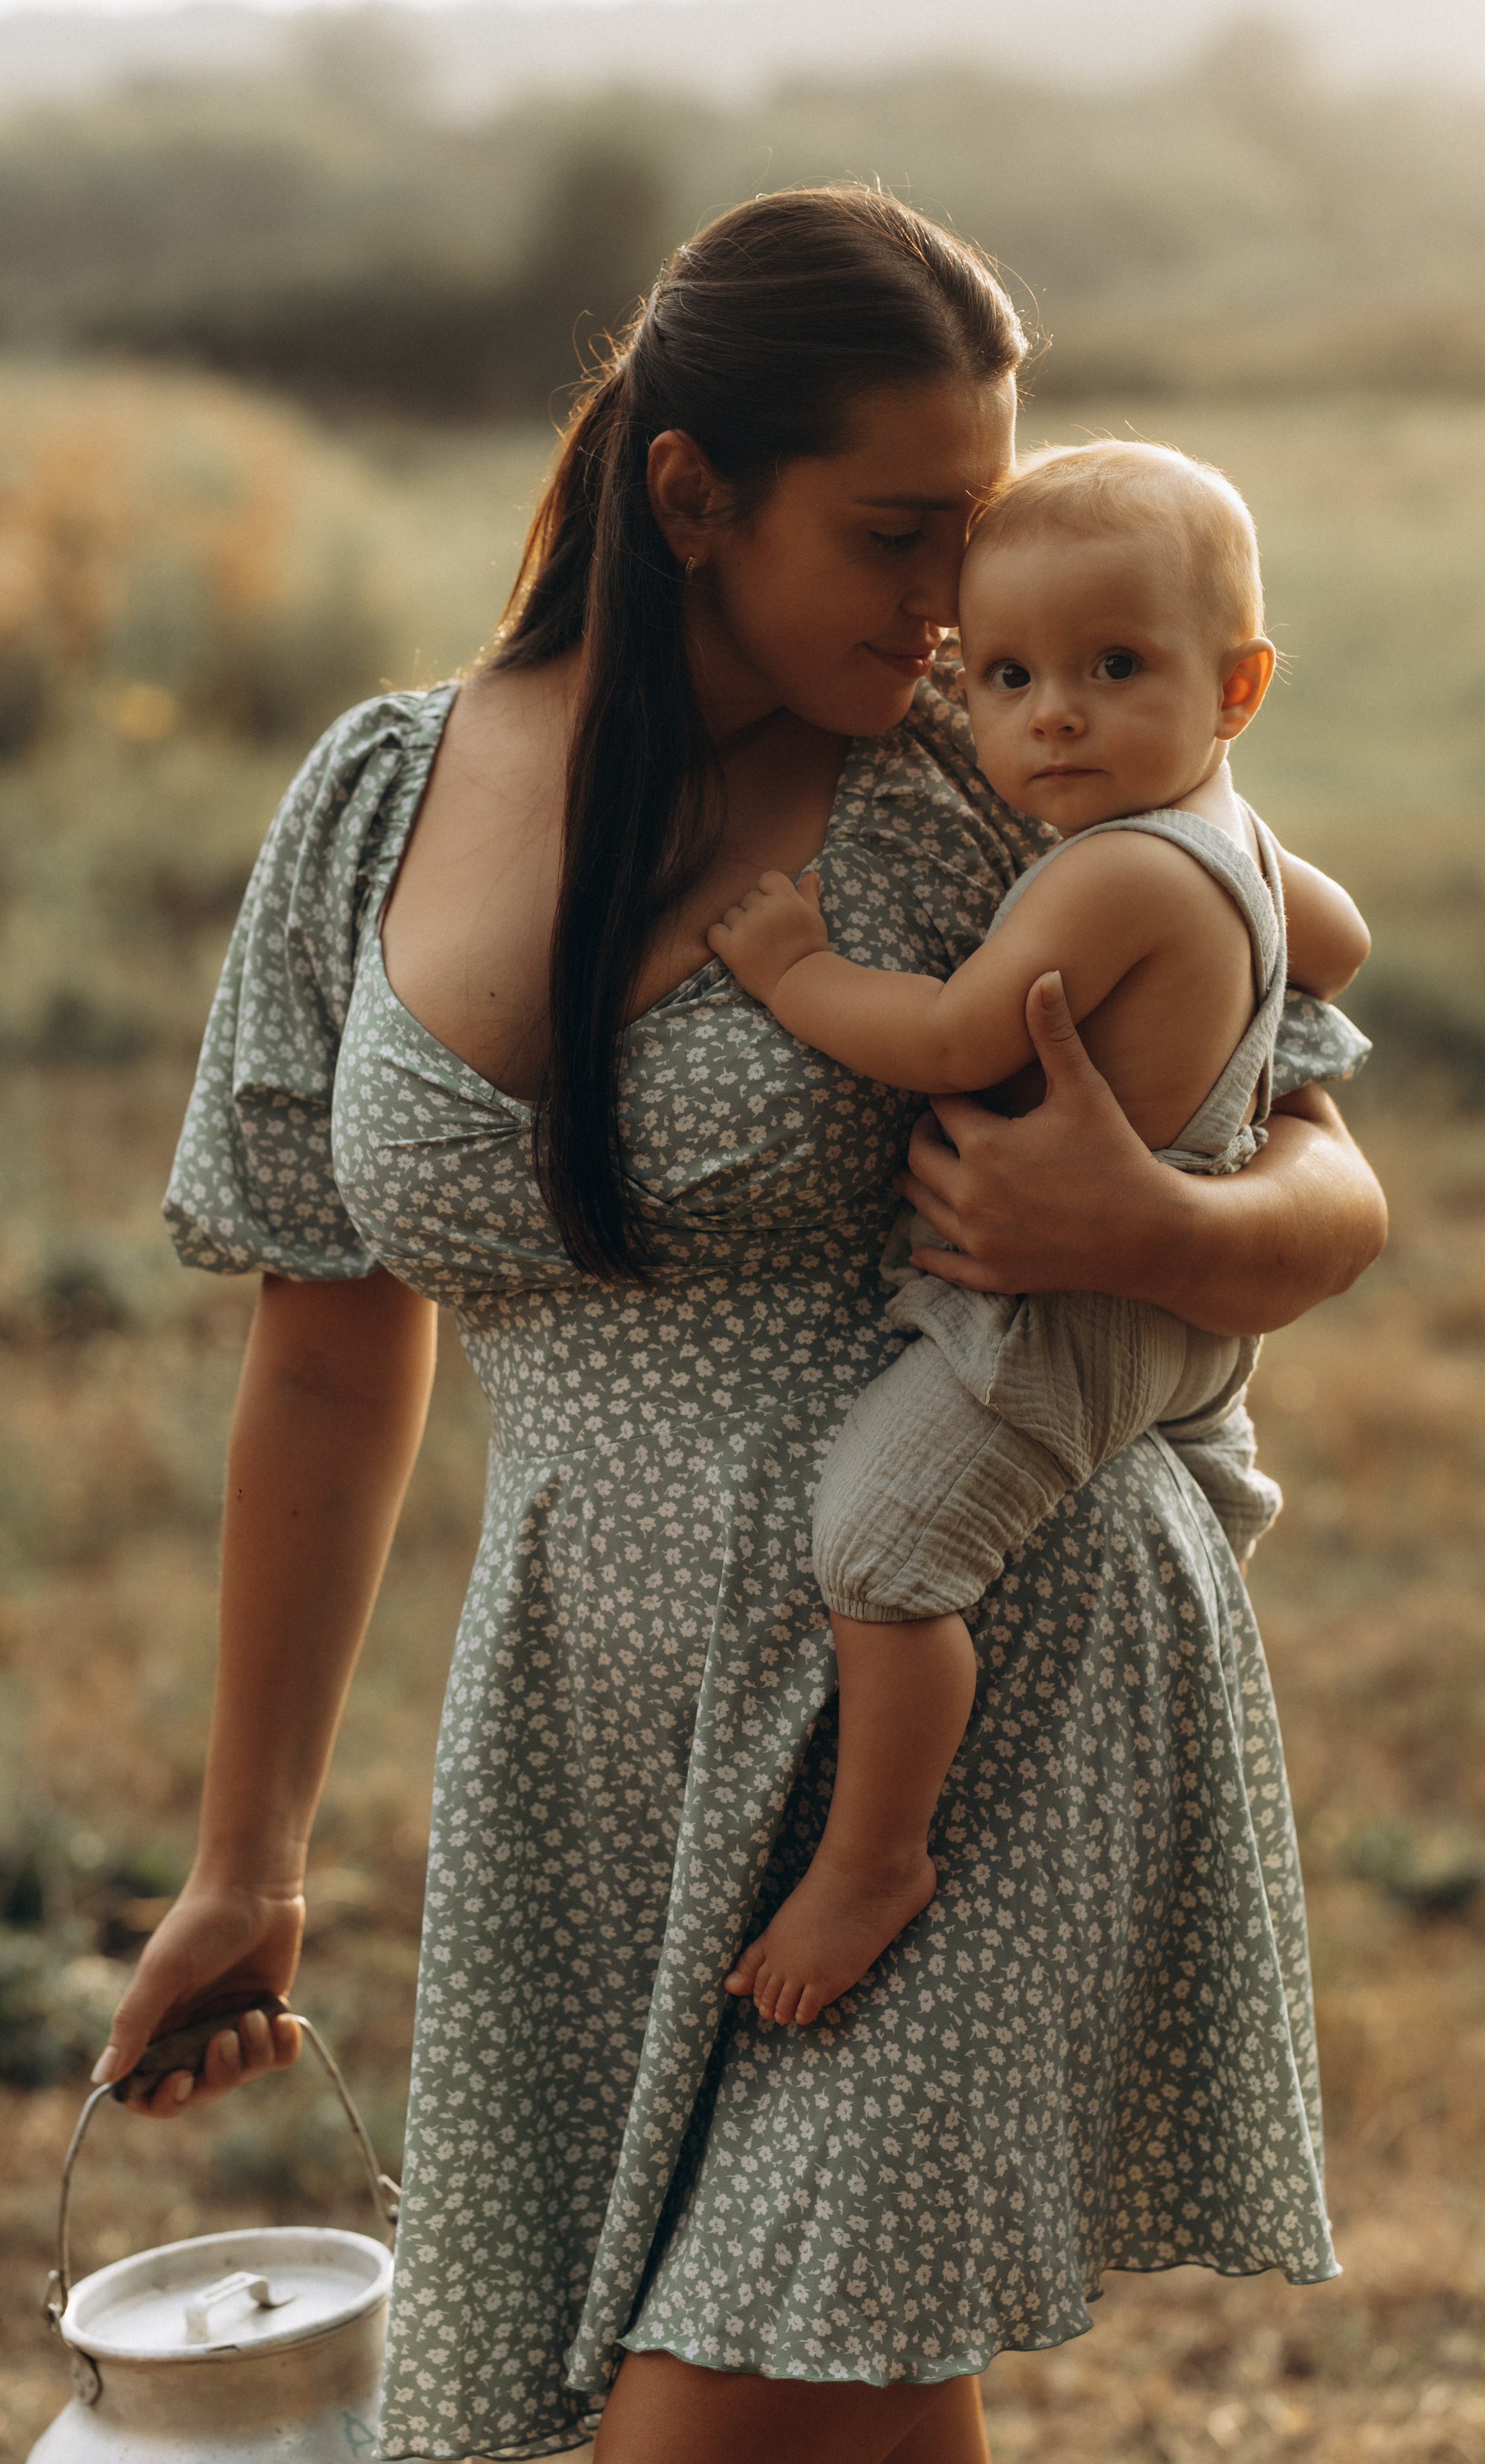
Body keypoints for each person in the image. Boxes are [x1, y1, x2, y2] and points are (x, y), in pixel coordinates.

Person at [95, 189, 1386, 2464]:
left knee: (733, 2419)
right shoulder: (376, 801)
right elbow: (322, 1352)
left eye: (974, 538)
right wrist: (246, 1857)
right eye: (900, 536)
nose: (959, 609)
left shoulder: (998, 788)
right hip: (594, 1726)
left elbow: (1328, 1167)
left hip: (980, 1665)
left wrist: (1150, 1221)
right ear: (690, 497)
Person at [707, 439, 1371, 2028]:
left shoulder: (1111, 874)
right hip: (1176, 1290)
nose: (1051, 714)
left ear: (1236, 686)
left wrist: (796, 975)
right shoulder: (1224, 833)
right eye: (1001, 676)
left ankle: (875, 1854)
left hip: (1066, 1302)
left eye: (1110, 666)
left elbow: (945, 1039)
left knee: (877, 1547)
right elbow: (1332, 945)